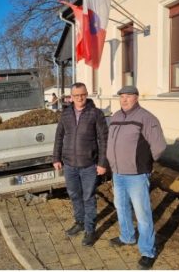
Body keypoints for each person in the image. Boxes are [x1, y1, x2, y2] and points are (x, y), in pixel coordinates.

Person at [106, 85, 166, 270]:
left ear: (137, 98)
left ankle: (148, 251)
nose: (124, 99)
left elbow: (160, 146)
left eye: (129, 96)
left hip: (137, 175)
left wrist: (145, 164)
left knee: (142, 214)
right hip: (118, 173)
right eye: (122, 96)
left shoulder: (146, 118)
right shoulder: (115, 116)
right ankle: (127, 237)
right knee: (121, 208)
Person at [52, 83, 108, 247]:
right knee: (74, 195)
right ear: (71, 97)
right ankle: (80, 222)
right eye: (76, 95)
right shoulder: (66, 113)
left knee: (88, 197)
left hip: (89, 165)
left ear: (87, 94)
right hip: (69, 164)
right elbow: (59, 136)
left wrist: (102, 163)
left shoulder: (96, 113)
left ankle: (90, 230)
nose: (79, 98)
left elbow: (104, 140)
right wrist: (56, 158)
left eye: (82, 94)